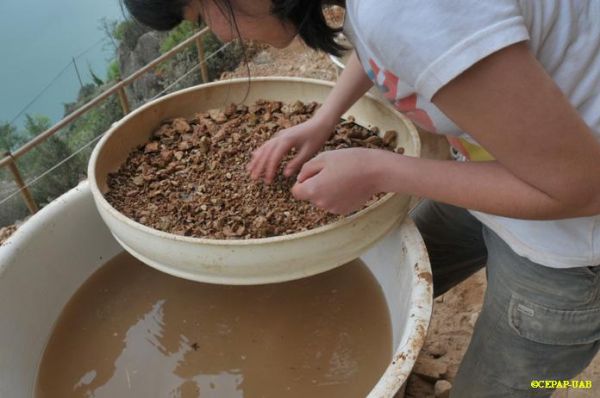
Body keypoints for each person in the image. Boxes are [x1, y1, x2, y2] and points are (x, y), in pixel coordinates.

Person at [123, 0, 600, 396]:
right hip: (503, 172)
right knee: (384, 276)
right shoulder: (385, 13)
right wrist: (326, 117)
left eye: (204, 15)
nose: (223, 36)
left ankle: (566, 384)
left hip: (571, 244)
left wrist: (380, 170)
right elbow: (391, 44)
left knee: (510, 384)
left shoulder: (411, 11)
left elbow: (584, 188)